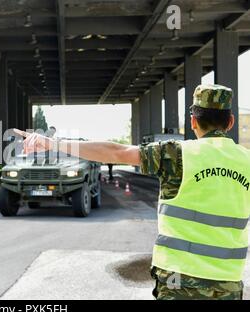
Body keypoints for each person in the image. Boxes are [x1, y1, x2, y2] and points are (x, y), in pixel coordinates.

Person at [14, 84, 250, 300]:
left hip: (180, 282)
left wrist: (52, 143)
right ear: (230, 122)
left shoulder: (176, 155)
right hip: (228, 284)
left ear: (193, 122)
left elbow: (116, 152)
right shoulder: (247, 161)